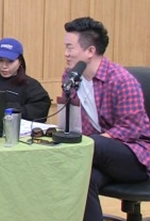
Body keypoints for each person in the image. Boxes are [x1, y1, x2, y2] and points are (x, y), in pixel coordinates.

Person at [61, 16, 150, 221]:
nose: (66, 53)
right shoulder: (71, 78)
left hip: (136, 157)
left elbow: (131, 129)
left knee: (91, 144)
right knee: (83, 178)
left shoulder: (121, 80)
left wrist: (91, 142)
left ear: (90, 51)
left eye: (70, 47)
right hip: (98, 154)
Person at [0, 37, 51, 120]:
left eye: (10, 61)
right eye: (0, 60)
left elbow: (41, 109)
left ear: (20, 62)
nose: (4, 66)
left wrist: (12, 110)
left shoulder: (31, 86)